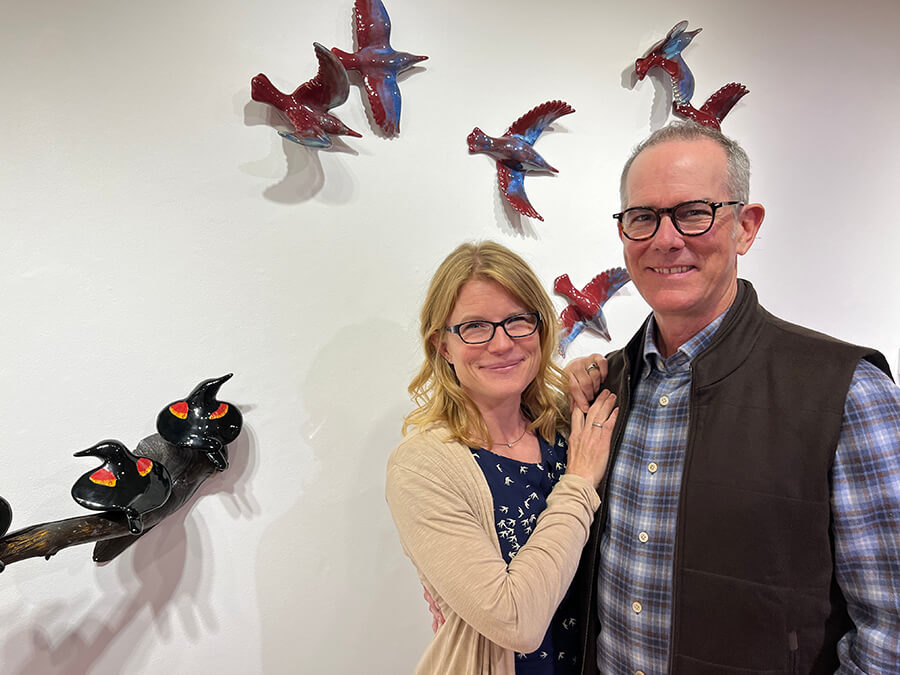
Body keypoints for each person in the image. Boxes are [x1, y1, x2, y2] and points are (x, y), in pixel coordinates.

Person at [564, 121, 900, 673]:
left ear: (746, 227)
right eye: (643, 217)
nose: (665, 239)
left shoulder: (849, 393)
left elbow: (889, 631)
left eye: (694, 212)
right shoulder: (605, 389)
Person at [386, 241, 618, 674]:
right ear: (442, 344)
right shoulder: (422, 467)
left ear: (541, 327)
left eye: (518, 321)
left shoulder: (567, 429)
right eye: (475, 327)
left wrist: (591, 375)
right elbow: (517, 622)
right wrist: (579, 483)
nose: (502, 343)